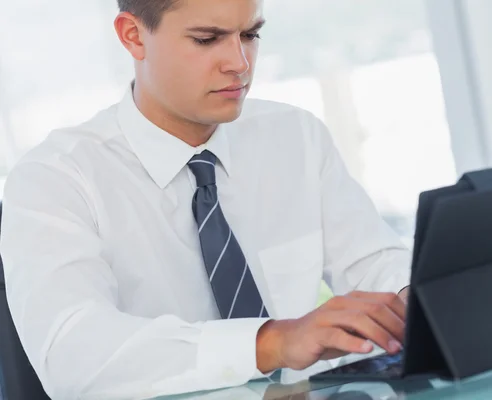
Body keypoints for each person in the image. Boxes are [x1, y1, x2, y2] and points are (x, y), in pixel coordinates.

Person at [0, 0, 412, 398]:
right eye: (206, 39)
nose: (240, 63)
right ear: (133, 36)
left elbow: (374, 264)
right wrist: (271, 342)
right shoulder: (54, 180)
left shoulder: (295, 135)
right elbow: (72, 355)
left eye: (250, 34)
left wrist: (417, 298)